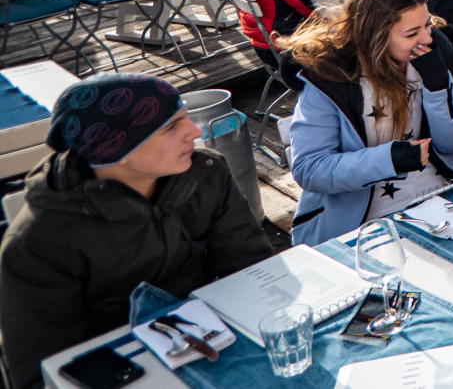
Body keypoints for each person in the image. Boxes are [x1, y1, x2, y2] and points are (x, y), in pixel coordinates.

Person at [0, 75, 271, 389]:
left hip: (217, 344)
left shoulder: (206, 173)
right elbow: (44, 371)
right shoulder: (38, 243)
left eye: (184, 117)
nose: (195, 131)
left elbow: (254, 270)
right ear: (116, 148)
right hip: (127, 373)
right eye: (171, 127)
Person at [277, 0, 453, 246]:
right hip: (367, 217)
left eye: (427, 24)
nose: (427, 38)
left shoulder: (428, 59)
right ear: (376, 37)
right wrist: (390, 158)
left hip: (445, 200)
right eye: (411, 33)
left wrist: (438, 85)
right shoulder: (329, 82)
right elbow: (310, 169)